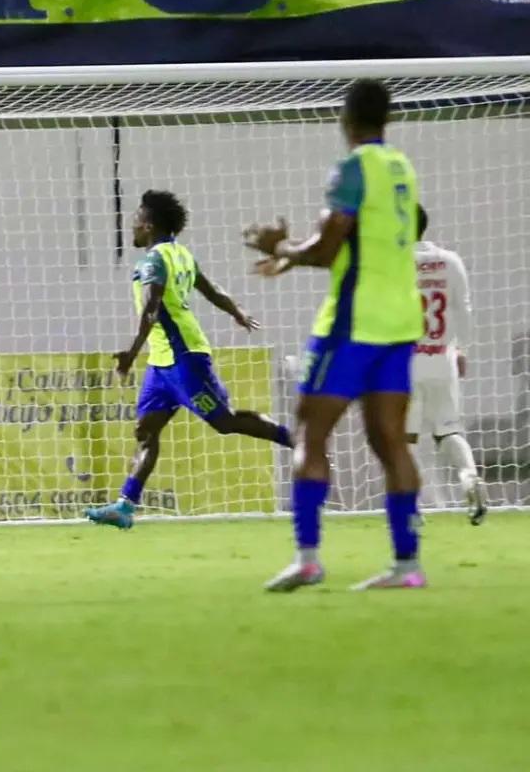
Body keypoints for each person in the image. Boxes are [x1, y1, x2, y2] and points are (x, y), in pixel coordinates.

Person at [246, 78, 425, 591]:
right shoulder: (402, 168)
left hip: (354, 322)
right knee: (390, 440)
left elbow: (327, 249)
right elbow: (374, 240)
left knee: (310, 433)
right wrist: (296, 255)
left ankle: (307, 557)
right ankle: (407, 567)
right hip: (400, 320)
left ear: (345, 120)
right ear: (386, 119)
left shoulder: (352, 168)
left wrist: (282, 250)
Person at [86, 190, 292, 531]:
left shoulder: (153, 261)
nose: (132, 228)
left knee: (224, 422)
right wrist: (236, 311)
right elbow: (212, 291)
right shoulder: (181, 255)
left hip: (184, 359)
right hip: (162, 363)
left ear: (148, 225)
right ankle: (125, 506)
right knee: (145, 431)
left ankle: (297, 441)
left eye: (136, 221)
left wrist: (130, 354)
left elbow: (152, 309)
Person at [407, 204, 487, 524]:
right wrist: (462, 349)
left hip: (407, 361)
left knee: (405, 438)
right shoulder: (450, 261)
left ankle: (410, 508)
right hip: (442, 357)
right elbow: (463, 309)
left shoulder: (394, 265)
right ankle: (469, 477)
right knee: (449, 429)